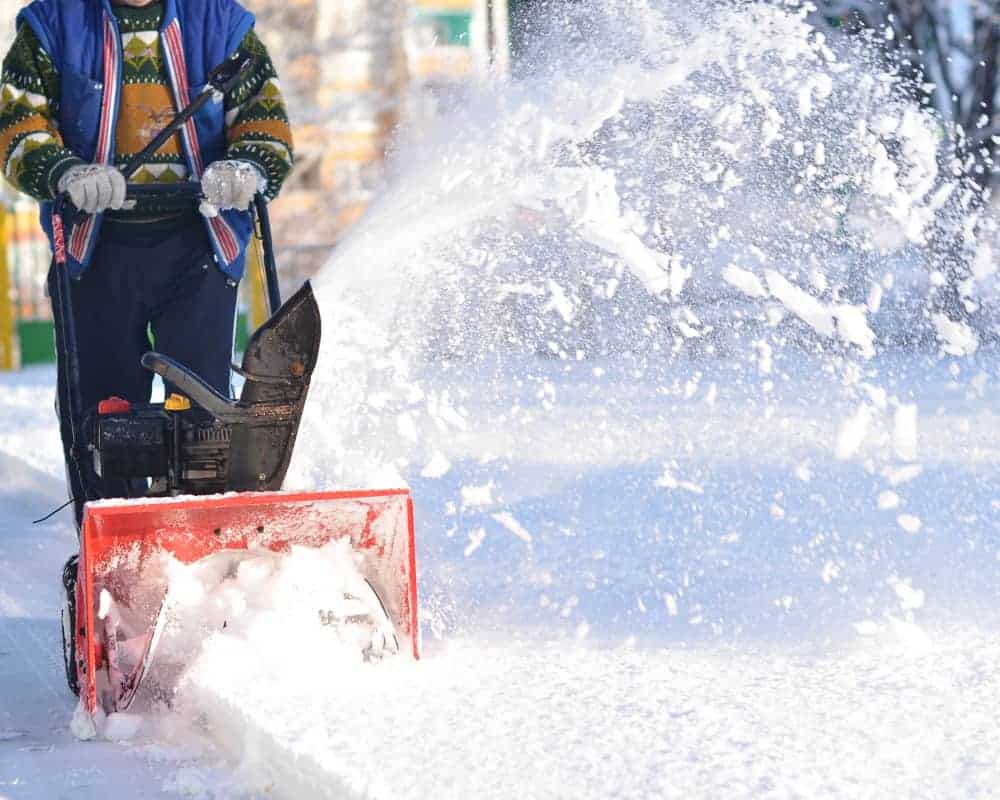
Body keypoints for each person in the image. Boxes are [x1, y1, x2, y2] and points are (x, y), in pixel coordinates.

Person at [0, 0, 295, 528]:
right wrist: (65, 171)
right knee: (102, 412)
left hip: (199, 241)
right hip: (96, 249)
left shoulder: (221, 23)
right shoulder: (52, 24)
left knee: (203, 413)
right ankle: (111, 534)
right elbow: (19, 128)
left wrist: (247, 165)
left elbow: (264, 121)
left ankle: (204, 535)